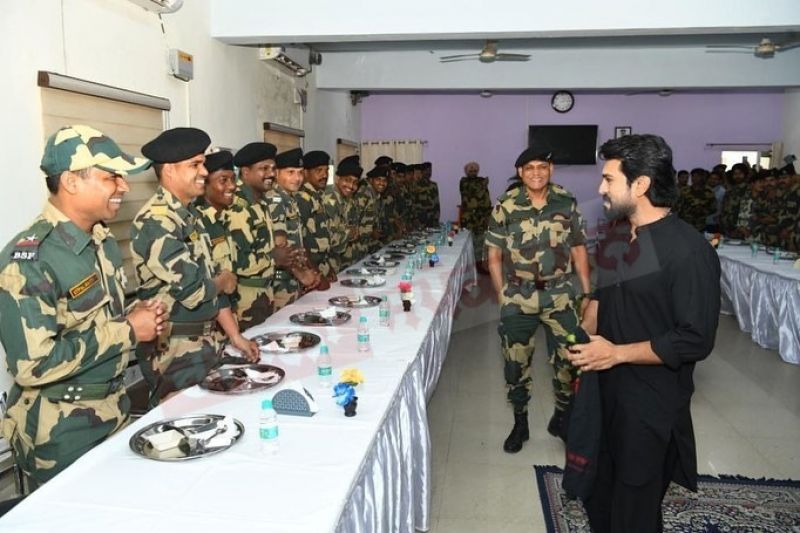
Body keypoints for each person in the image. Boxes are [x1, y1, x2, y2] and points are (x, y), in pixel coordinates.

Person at [569, 134, 720, 532]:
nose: (601, 188)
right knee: (599, 490)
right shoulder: (619, 234)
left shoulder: (688, 252)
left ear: (640, 185)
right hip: (606, 389)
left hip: (649, 401)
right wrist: (586, 329)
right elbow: (605, 294)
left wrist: (616, 353)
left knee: (634, 505)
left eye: (608, 180)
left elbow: (695, 338)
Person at [0, 125, 165, 488]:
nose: (123, 186)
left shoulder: (101, 241)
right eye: (111, 177)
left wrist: (142, 313)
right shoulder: (29, 260)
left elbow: (100, 317)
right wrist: (128, 330)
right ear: (72, 182)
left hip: (114, 410)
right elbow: (33, 365)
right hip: (62, 432)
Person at [130, 127, 256, 407]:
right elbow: (196, 289)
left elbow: (212, 279)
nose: (203, 171)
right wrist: (223, 281)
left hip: (206, 339)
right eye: (195, 165)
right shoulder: (157, 221)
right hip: (174, 349)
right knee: (185, 427)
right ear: (170, 171)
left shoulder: (190, 216)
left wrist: (235, 336)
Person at [485, 145, 591, 452]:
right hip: (518, 295)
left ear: (551, 170)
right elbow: (493, 253)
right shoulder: (506, 204)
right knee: (515, 363)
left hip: (560, 294)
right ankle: (520, 422)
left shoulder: (566, 201)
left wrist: (586, 292)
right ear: (520, 172)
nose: (536, 173)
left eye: (542, 167)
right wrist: (502, 293)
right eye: (529, 168)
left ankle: (562, 417)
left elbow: (579, 248)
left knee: (570, 359)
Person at [228, 142, 300, 327]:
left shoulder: (261, 202)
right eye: (263, 168)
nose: (270, 173)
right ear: (245, 172)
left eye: (273, 168)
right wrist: (274, 259)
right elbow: (237, 262)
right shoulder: (237, 206)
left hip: (265, 294)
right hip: (245, 299)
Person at [298, 150, 335, 285]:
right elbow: (302, 243)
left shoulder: (316, 196)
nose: (324, 175)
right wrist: (317, 274)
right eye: (318, 170)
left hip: (321, 266)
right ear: (306, 173)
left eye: (326, 170)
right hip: (311, 272)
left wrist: (328, 267)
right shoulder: (303, 199)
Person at [324, 156, 362, 271]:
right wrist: (349, 233)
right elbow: (327, 238)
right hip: (329, 266)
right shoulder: (329, 199)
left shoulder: (348, 199)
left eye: (355, 182)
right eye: (347, 180)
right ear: (337, 178)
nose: (351, 186)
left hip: (345, 262)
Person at [459, 161, 492, 273]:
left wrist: (488, 215)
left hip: (481, 218)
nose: (473, 172)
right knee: (468, 243)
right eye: (470, 171)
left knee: (480, 243)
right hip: (469, 219)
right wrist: (483, 185)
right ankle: (467, 267)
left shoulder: (481, 181)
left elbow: (486, 200)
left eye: (475, 170)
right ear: (466, 172)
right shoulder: (464, 182)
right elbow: (472, 194)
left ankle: (478, 266)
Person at [675, 168, 715, 232]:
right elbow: (677, 206)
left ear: (702, 177)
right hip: (685, 222)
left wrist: (701, 211)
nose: (694, 178)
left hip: (700, 224)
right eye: (693, 176)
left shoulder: (709, 192)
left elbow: (713, 208)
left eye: (697, 176)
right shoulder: (685, 190)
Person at [415, 162, 441, 227]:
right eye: (426, 170)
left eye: (430, 170)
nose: (428, 173)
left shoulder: (433, 185)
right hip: (421, 217)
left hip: (432, 217)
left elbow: (437, 202)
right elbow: (414, 203)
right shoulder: (416, 185)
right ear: (422, 172)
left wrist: (437, 217)